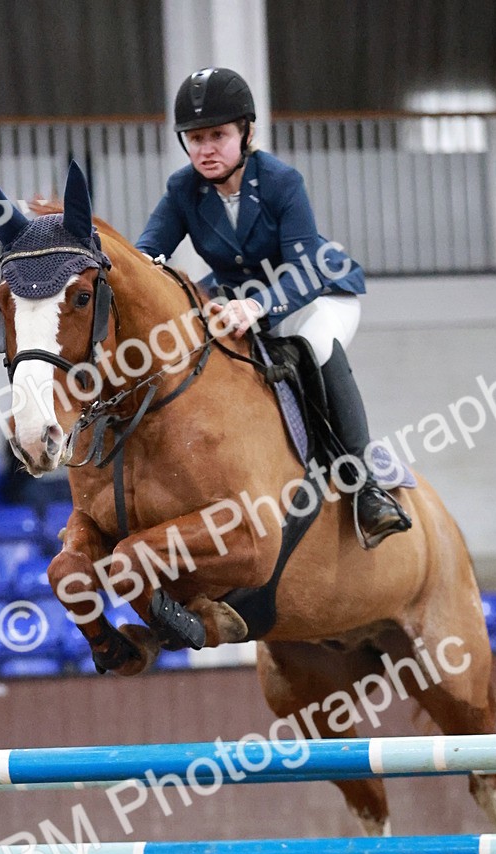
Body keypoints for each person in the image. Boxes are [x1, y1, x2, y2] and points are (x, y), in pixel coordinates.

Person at [136, 66, 411, 548]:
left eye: (218, 135)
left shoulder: (283, 181)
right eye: (195, 137)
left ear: (246, 132)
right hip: (240, 298)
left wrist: (255, 307)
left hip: (315, 293)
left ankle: (365, 486)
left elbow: (303, 270)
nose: (206, 148)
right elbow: (147, 254)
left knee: (314, 345)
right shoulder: (184, 189)